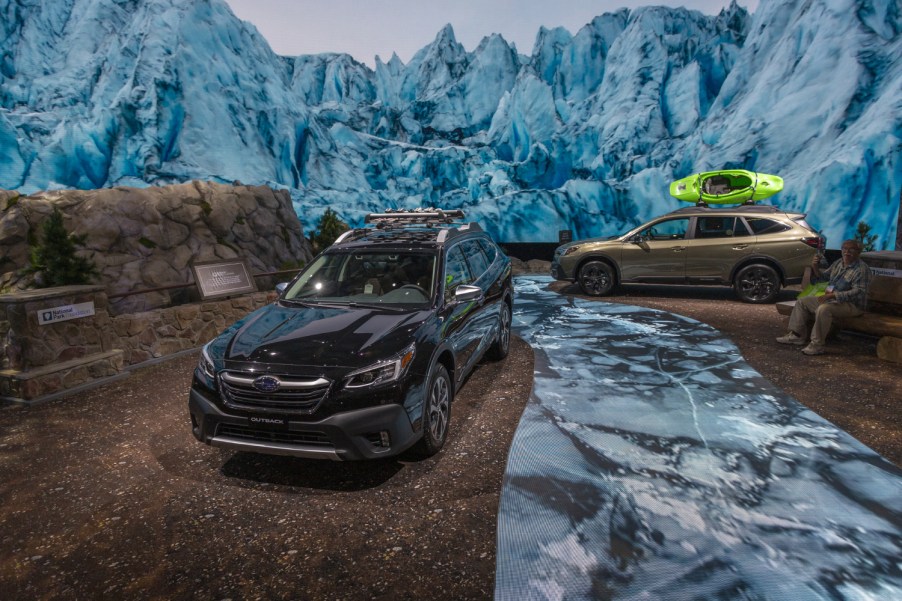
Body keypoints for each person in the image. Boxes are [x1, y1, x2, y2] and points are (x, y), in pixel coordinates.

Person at [776, 239, 872, 355]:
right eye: (844, 249)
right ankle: (797, 335)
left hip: (853, 305)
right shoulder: (838, 263)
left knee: (824, 309)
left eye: (851, 250)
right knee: (803, 301)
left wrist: (833, 295)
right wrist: (815, 266)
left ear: (858, 252)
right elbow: (823, 278)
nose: (847, 252)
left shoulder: (861, 269)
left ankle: (817, 345)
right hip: (832, 300)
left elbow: (859, 292)